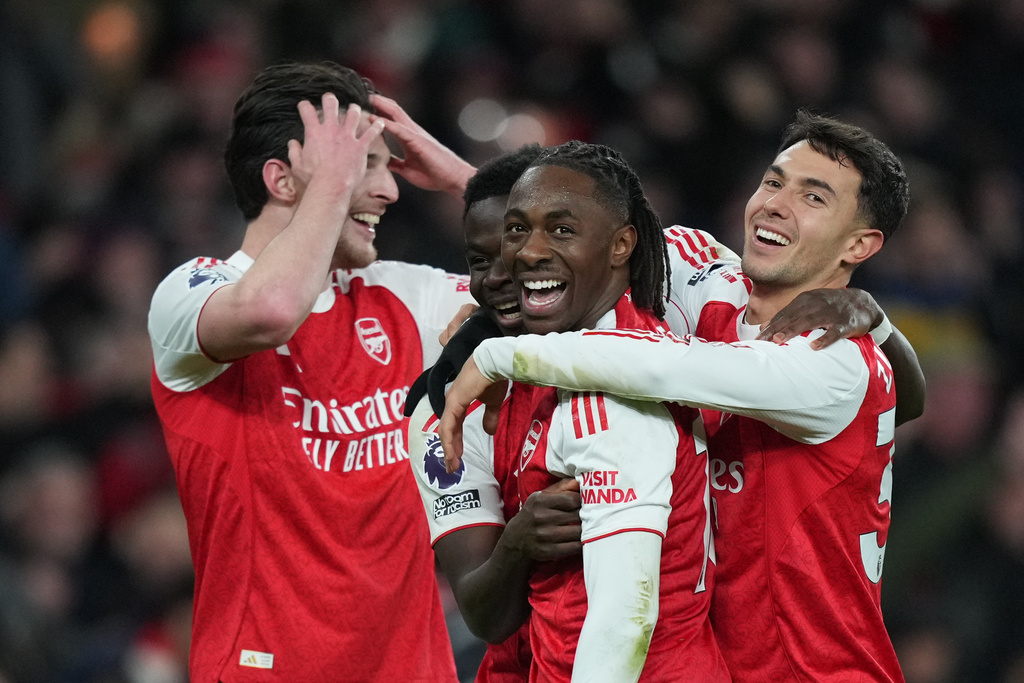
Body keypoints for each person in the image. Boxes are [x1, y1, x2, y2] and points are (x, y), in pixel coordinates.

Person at [439, 110, 920, 681]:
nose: (775, 204)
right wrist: (484, 310)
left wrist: (497, 356)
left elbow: (663, 368)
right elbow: (570, 225)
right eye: (773, 181)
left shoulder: (834, 358)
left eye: (813, 198)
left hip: (813, 669)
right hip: (711, 662)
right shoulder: (696, 272)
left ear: (860, 244)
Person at [147, 61, 479, 682]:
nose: (391, 191)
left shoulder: (403, 295)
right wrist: (331, 183)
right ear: (283, 179)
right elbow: (271, 311)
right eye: (365, 166)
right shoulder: (192, 292)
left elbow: (575, 288)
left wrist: (471, 182)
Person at [406, 143, 586, 682]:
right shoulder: (442, 410)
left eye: (515, 249)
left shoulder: (663, 337)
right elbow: (487, 615)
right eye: (478, 262)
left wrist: (850, 302)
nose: (497, 276)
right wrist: (517, 543)